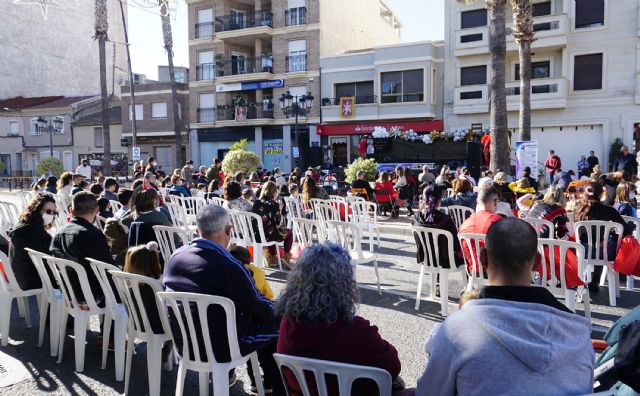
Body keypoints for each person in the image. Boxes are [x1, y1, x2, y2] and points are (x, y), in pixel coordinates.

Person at [416, 218, 594, 396]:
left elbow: (429, 392)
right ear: (537, 262)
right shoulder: (579, 335)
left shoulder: (455, 331)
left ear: (483, 258)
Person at [163, 204, 284, 394]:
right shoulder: (230, 266)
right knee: (279, 321)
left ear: (198, 230)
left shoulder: (176, 257)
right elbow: (262, 309)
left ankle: (260, 382)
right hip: (222, 348)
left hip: (185, 343)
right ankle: (273, 385)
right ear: (228, 230)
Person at [276, 243, 405, 396]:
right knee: (396, 383)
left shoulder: (287, 323)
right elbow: (392, 366)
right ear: (344, 285)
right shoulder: (356, 330)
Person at [50, 192, 114, 305]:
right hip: (92, 295)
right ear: (97, 209)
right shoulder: (93, 235)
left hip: (67, 292)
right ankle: (110, 322)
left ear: (71, 211)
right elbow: (110, 271)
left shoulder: (58, 234)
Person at [575, 182, 633, 292]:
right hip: (602, 252)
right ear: (602, 194)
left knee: (602, 243)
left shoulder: (578, 209)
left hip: (581, 250)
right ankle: (596, 279)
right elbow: (626, 230)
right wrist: (611, 231)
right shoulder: (609, 210)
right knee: (606, 244)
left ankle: (587, 279)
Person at [123, 242, 173, 360]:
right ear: (153, 263)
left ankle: (167, 349)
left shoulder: (126, 283)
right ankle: (168, 347)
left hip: (136, 324)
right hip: (158, 327)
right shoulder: (156, 286)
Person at [413, 185, 464, 293]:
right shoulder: (446, 219)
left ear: (424, 199)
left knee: (439, 250)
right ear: (440, 201)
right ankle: (468, 289)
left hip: (426, 259)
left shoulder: (415, 218)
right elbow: (456, 244)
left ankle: (438, 282)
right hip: (446, 261)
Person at [8, 193, 57, 290]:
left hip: (17, 277)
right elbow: (47, 264)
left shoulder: (23, 225)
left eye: (54, 212)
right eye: (48, 211)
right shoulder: (35, 233)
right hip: (30, 281)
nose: (51, 215)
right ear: (37, 209)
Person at [458, 184, 503, 268]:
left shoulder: (465, 224)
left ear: (477, 202)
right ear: (495, 202)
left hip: (473, 271)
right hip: (496, 273)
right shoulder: (499, 222)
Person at [252, 181, 294, 268]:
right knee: (288, 232)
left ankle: (272, 257)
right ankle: (286, 257)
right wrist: (280, 208)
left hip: (256, 234)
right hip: (268, 235)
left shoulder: (256, 202)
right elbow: (278, 222)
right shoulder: (274, 204)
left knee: (271, 229)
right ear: (274, 192)